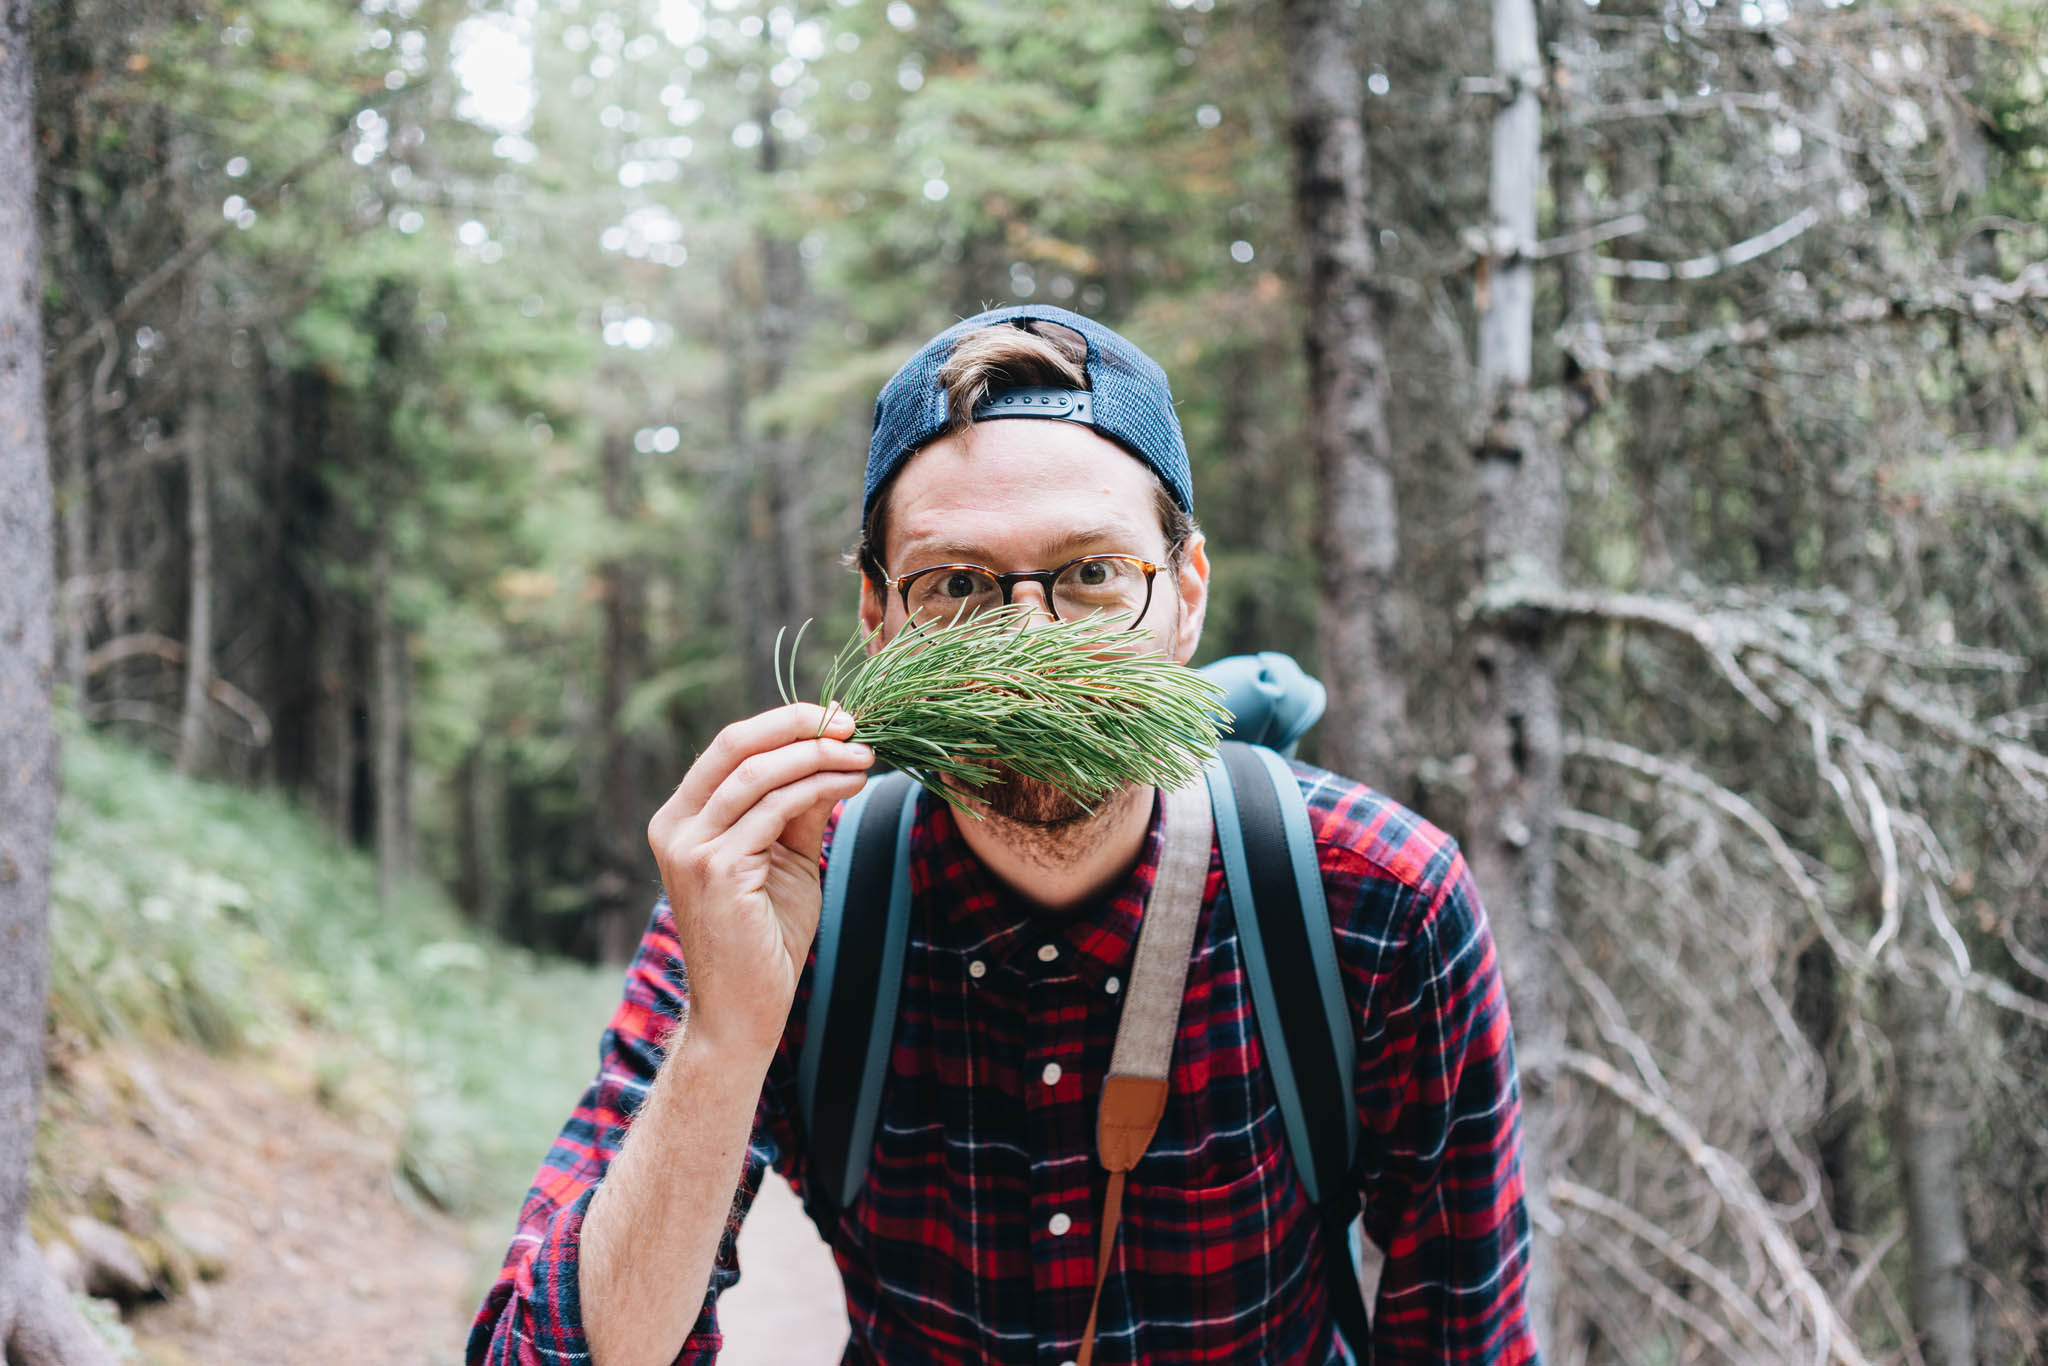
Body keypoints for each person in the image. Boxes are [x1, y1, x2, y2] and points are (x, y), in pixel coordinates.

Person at [468, 305, 1539, 1365]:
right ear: (877, 619)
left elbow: (1466, 1340)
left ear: (1186, 596)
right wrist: (722, 1043)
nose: (1026, 651)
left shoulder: (1381, 901)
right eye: (957, 586)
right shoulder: (771, 896)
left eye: (1090, 574)